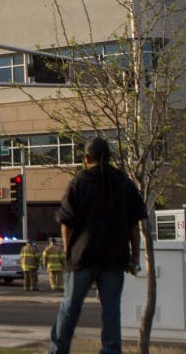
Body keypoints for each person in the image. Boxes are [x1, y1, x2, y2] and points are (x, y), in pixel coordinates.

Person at [49, 137, 147, 354]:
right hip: (114, 259)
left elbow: (66, 224)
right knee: (111, 312)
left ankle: (58, 350)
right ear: (109, 157)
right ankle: (111, 351)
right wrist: (135, 257)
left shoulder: (79, 182)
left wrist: (68, 252)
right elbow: (134, 225)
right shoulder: (124, 183)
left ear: (86, 158)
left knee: (70, 309)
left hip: (82, 257)